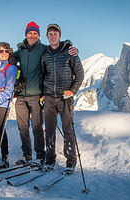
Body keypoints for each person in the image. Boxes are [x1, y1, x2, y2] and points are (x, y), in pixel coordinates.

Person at [12, 21, 78, 166]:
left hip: (48, 96)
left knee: (46, 128)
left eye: (35, 33)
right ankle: (36, 157)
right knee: (33, 129)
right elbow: (9, 57)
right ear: (26, 35)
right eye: (30, 33)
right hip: (33, 96)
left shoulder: (47, 49)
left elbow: (77, 70)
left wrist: (72, 46)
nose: (32, 35)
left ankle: (54, 158)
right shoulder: (24, 51)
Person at [40, 24, 84, 173]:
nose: (53, 36)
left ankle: (71, 161)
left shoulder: (69, 52)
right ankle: (49, 160)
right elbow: (42, 75)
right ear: (47, 36)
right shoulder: (44, 55)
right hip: (49, 99)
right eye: (50, 34)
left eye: (55, 33)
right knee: (49, 131)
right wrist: (42, 94)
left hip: (65, 98)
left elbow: (80, 74)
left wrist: (72, 91)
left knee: (68, 130)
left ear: (59, 35)